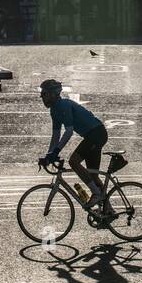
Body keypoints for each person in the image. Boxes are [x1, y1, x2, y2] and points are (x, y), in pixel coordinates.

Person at [38, 79, 108, 210]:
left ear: (54, 94)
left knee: (74, 162)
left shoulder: (63, 105)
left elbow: (69, 131)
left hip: (96, 134)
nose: (43, 97)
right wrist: (49, 155)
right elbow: (56, 135)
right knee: (92, 175)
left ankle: (96, 194)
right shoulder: (54, 110)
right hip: (94, 134)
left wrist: (56, 151)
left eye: (45, 94)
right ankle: (108, 209)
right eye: (42, 95)